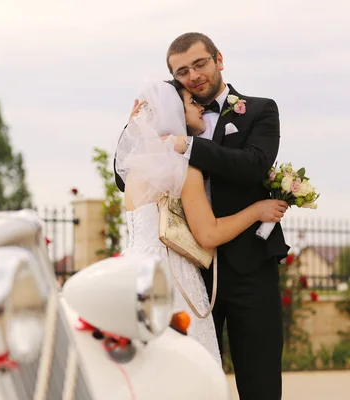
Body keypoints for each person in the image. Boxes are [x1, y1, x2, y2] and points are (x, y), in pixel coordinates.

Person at [116, 33, 290, 400]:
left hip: (249, 268)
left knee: (259, 378)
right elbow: (124, 175)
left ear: (218, 59)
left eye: (200, 64)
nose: (193, 75)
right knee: (193, 373)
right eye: (182, 71)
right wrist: (138, 128)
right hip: (187, 269)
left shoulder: (260, 109)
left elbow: (254, 165)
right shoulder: (174, 120)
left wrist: (188, 145)